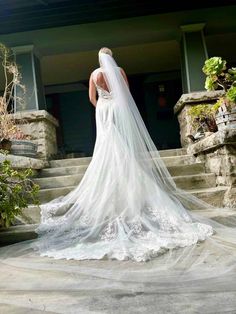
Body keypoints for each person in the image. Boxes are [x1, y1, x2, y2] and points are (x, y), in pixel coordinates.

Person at [1, 48, 236, 283]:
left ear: (99, 58)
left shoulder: (94, 74)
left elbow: (92, 98)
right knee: (122, 145)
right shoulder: (120, 71)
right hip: (118, 108)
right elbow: (126, 93)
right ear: (111, 57)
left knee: (106, 143)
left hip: (103, 109)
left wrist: (102, 103)